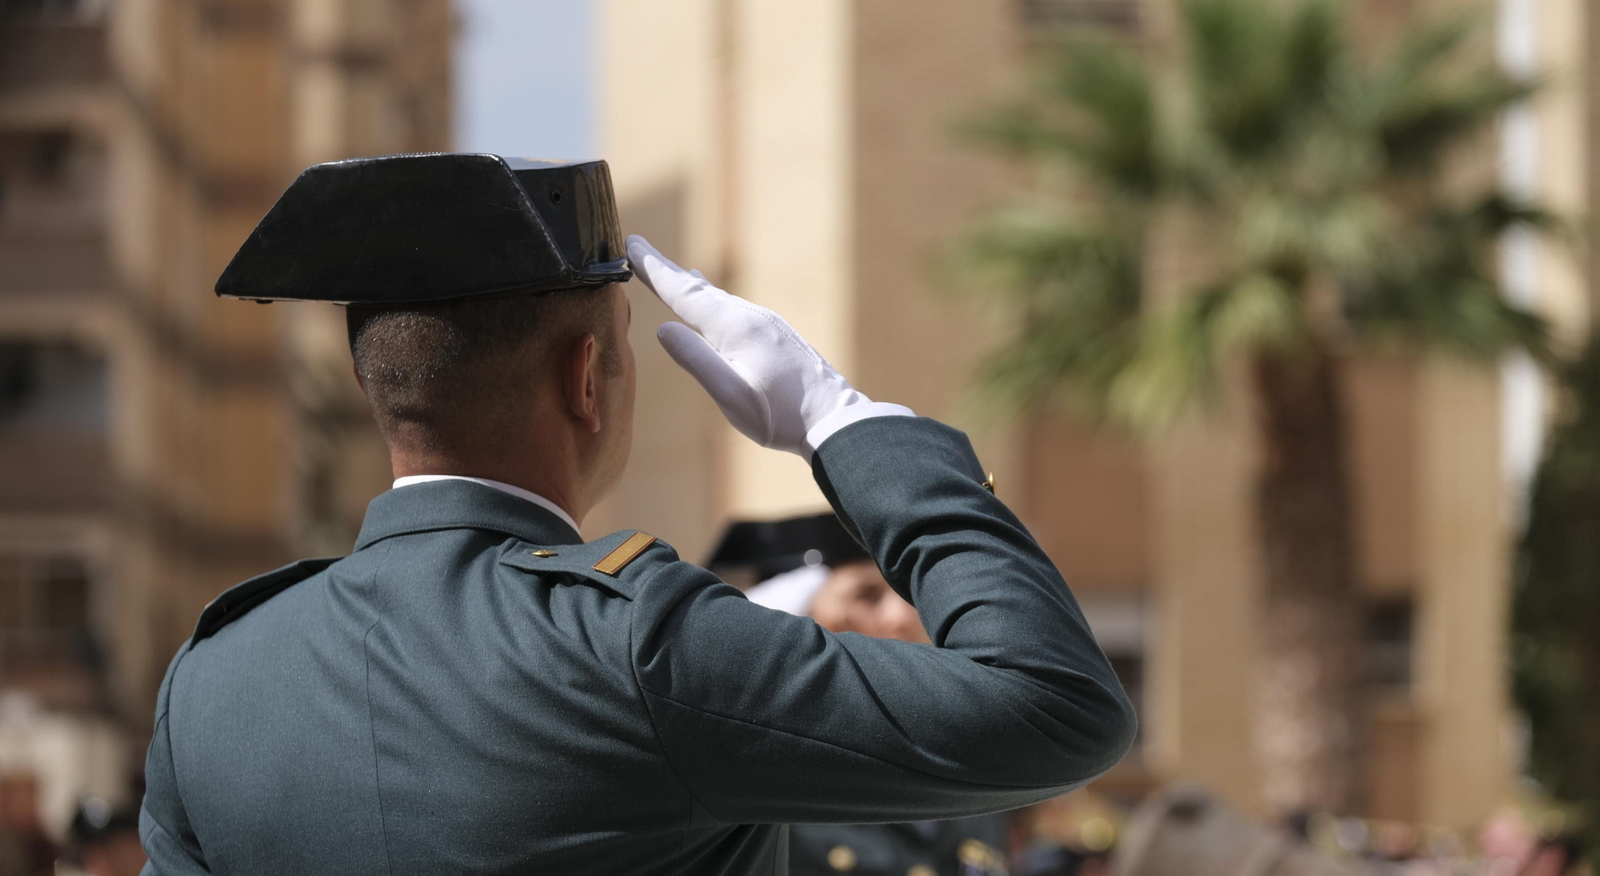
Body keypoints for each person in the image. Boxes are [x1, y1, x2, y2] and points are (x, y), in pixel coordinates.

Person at [138, 153, 1136, 875]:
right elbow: (1056, 708)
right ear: (587, 381)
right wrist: (846, 423)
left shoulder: (213, 680)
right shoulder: (639, 647)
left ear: (377, 388)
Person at [709, 514, 1008, 876]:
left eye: (907, 595)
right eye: (867, 595)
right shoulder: (754, 786)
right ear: (797, 621)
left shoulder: (961, 765)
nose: (902, 616)